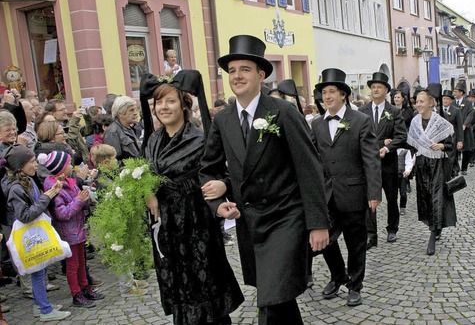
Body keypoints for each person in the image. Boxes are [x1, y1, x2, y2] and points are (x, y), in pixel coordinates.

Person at [199, 35, 330, 325]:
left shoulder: (283, 113)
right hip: (250, 223)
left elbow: (309, 170)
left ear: (260, 75)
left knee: (270, 302)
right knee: (279, 297)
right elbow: (209, 169)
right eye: (232, 70)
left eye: (244, 69)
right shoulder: (223, 120)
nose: (237, 76)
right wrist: (219, 201)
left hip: (286, 219)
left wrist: (318, 223)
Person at [139, 70, 243, 324]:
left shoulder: (200, 139)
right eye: (159, 102)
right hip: (166, 226)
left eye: (170, 101)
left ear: (185, 106)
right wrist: (148, 192)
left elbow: (226, 175)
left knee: (205, 286)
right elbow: (143, 174)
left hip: (196, 225)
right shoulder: (153, 140)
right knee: (178, 286)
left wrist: (221, 186)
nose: (163, 107)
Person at [311, 68, 381, 307]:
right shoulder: (317, 124)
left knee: (355, 242)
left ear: (343, 95)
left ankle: (355, 285)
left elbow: (371, 159)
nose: (327, 96)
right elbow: (312, 159)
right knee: (325, 241)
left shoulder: (360, 121)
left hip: (353, 192)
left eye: (331, 92)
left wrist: (373, 193)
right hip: (326, 194)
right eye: (324, 92)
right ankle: (338, 274)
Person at [1, 145, 70, 321]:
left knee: (40, 270)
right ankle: (45, 310)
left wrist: (50, 193)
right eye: (32, 162)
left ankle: (41, 305)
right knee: (37, 271)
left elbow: (38, 199)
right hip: (29, 235)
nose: (36, 165)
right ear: (20, 166)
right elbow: (24, 215)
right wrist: (47, 197)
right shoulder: (15, 188)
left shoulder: (29, 179)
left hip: (37, 231)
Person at [42, 151, 104, 308]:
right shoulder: (55, 189)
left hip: (78, 229)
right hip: (68, 232)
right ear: (61, 168)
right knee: (72, 265)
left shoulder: (69, 182)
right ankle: (76, 294)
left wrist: (86, 198)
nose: (72, 166)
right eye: (69, 164)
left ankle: (85, 288)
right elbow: (62, 214)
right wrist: (78, 200)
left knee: (81, 262)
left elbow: (79, 199)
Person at [358, 72, 407, 248]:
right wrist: (379, 143)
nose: (375, 89)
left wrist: (387, 148)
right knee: (369, 198)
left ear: (386, 90)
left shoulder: (393, 111)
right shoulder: (362, 111)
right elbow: (359, 137)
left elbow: (401, 136)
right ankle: (371, 234)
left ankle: (392, 229)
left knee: (391, 197)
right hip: (369, 164)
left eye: (379, 87)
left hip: (388, 163)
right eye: (373, 87)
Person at [408, 87, 456, 255]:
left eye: (422, 101)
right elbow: (411, 144)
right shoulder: (415, 122)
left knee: (436, 197)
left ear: (430, 102)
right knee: (425, 197)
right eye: (417, 102)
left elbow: (451, 145)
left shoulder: (440, 122)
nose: (418, 104)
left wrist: (442, 145)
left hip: (437, 165)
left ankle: (433, 232)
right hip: (422, 165)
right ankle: (435, 224)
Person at [103, 96, 140, 162]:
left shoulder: (129, 128)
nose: (135, 113)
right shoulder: (112, 132)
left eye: (135, 109)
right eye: (131, 110)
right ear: (120, 113)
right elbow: (113, 162)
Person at [452, 82, 475, 175]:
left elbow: (470, 115)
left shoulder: (468, 103)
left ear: (461, 93)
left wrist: (465, 124)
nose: (454, 93)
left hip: (465, 130)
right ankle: (455, 168)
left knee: (466, 150)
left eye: (456, 91)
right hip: (455, 130)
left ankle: (464, 168)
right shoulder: (452, 103)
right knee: (454, 150)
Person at [441, 90, 463, 177]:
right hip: (441, 138)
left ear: (451, 100)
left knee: (451, 156)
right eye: (444, 99)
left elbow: (459, 127)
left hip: (452, 137)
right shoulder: (438, 110)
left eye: (447, 99)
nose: (445, 101)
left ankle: (450, 172)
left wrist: (460, 140)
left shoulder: (456, 111)